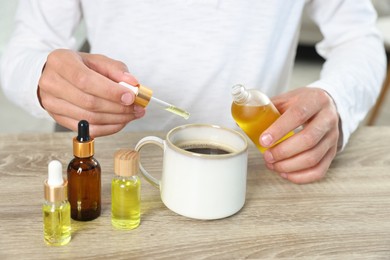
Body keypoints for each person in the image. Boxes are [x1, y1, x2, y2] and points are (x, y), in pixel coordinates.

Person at [0, 1, 386, 184]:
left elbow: (358, 37)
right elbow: (26, 49)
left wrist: (336, 96)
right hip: (116, 167)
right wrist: (42, 75)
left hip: (253, 172)